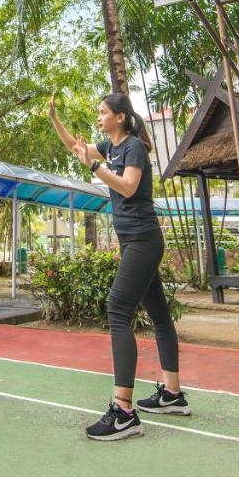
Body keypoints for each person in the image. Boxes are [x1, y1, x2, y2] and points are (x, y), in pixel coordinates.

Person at [48, 92, 190, 440]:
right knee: (158, 315)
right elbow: (75, 147)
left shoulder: (133, 148)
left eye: (103, 112)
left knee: (117, 309)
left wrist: (94, 167)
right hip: (135, 242)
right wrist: (54, 119)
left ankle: (124, 412)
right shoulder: (110, 148)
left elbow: (128, 187)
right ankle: (172, 394)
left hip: (143, 240)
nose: (98, 117)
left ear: (120, 118)